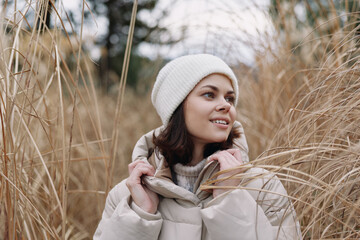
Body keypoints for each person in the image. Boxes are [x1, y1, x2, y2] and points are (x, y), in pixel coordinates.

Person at [94, 54, 302, 240]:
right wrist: (141, 215)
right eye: (210, 95)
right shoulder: (127, 195)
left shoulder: (263, 187)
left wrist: (229, 201)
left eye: (229, 98)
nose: (226, 105)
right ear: (176, 107)